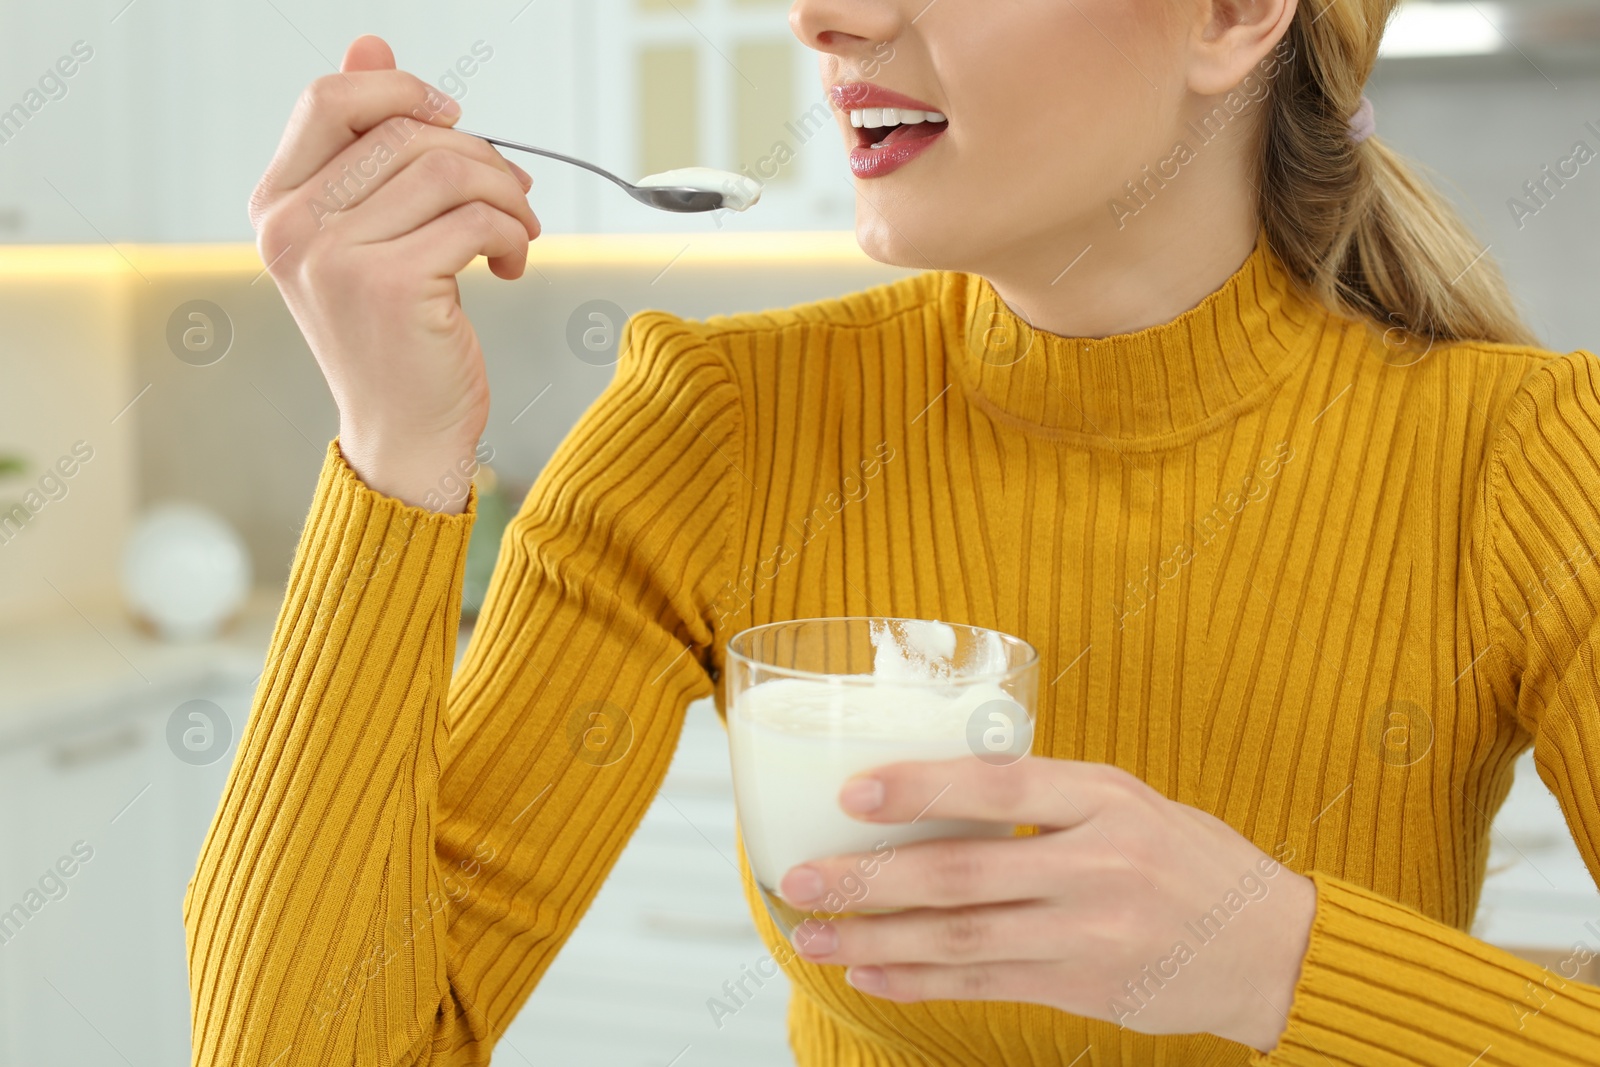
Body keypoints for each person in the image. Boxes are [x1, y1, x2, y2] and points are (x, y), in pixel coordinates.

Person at [184, 1, 1600, 1064]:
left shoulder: (1526, 460)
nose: (822, 16)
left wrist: (1272, 961)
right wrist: (392, 447)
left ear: (1230, 16)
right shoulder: (725, 426)